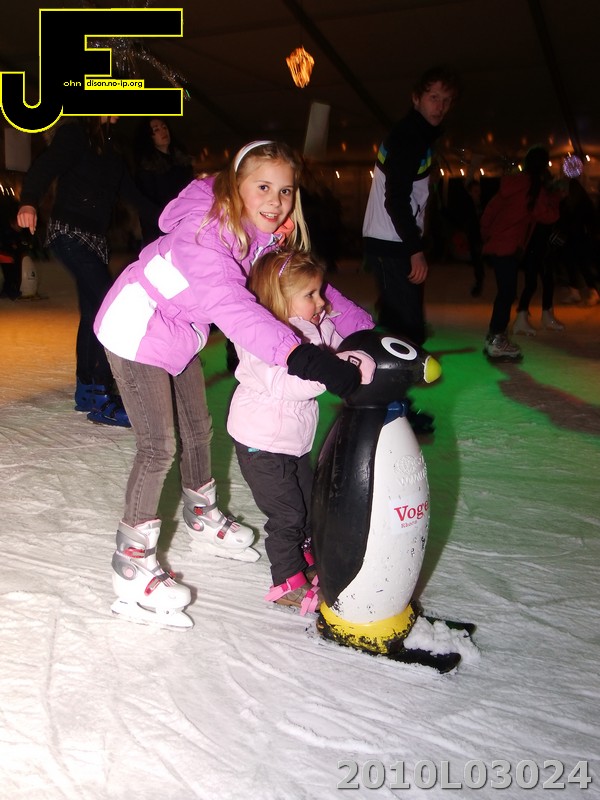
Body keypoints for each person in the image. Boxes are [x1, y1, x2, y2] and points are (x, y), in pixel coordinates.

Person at [93, 140, 375, 627]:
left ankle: (200, 514)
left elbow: (313, 289)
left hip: (180, 330)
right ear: (235, 186)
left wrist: (369, 332)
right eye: (263, 187)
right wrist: (301, 356)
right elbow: (233, 307)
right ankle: (132, 562)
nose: (276, 201)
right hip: (136, 323)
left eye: (285, 190)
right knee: (159, 446)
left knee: (198, 429)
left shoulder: (263, 237)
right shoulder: (204, 235)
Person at [227, 249, 374, 615]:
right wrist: (330, 372)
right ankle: (286, 580)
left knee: (309, 505)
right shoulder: (260, 337)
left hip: (292, 443)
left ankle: (305, 556)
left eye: (319, 292)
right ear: (279, 298)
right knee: (288, 514)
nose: (321, 301)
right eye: (310, 294)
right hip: (260, 443)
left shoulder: (314, 326)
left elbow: (341, 349)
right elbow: (287, 384)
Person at [17, 116, 158, 426]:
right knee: (110, 307)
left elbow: (134, 195)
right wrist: (28, 201)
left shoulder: (114, 148)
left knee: (95, 311)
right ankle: (100, 391)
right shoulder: (76, 134)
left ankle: (87, 389)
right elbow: (46, 166)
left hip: (95, 240)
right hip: (69, 233)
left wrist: (173, 219)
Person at [362, 65, 460, 345]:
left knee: (401, 323)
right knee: (407, 330)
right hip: (392, 242)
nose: (440, 107)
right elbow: (395, 199)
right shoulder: (408, 138)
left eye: (446, 100)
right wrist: (414, 249)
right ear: (416, 98)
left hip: (391, 240)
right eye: (434, 97)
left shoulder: (418, 136)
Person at [480, 146, 561, 361]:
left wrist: (488, 234)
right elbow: (548, 216)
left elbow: (490, 210)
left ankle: (494, 338)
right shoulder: (535, 189)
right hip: (508, 247)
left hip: (497, 244)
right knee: (507, 293)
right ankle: (497, 339)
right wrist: (555, 196)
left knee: (505, 292)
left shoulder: (511, 184)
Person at [132, 117, 194, 246]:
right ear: (149, 137)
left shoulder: (183, 163)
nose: (163, 132)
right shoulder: (147, 168)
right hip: (161, 228)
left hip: (186, 224)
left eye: (164, 127)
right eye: (156, 130)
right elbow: (147, 207)